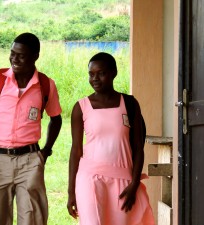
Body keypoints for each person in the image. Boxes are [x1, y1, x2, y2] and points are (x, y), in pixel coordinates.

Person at [0, 32, 62, 225]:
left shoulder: (45, 85)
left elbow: (56, 119)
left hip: (30, 162)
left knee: (33, 218)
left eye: (21, 55)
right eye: (12, 53)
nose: (14, 58)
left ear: (35, 56)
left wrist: (46, 151)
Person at [67, 52, 155, 225]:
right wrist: (71, 192)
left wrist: (134, 183)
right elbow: (76, 150)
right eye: (91, 74)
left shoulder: (129, 103)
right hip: (90, 178)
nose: (95, 79)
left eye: (101, 73)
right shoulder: (81, 107)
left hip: (123, 180)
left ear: (113, 73)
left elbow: (138, 147)